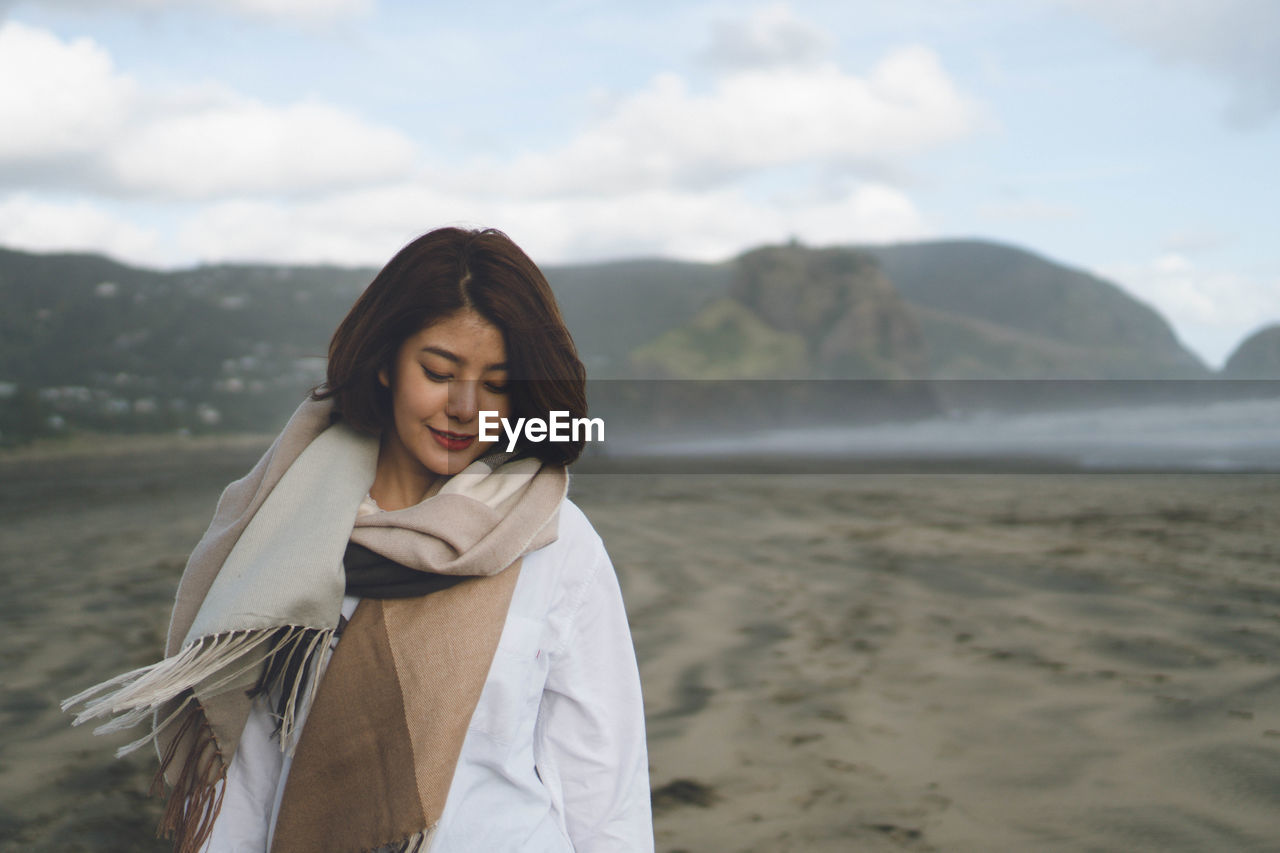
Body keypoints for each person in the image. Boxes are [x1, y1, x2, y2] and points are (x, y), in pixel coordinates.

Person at [64, 227, 653, 852]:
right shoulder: (280, 528)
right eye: (438, 370)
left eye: (498, 385)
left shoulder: (554, 540)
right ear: (384, 363)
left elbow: (603, 783)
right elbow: (243, 780)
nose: (466, 407)